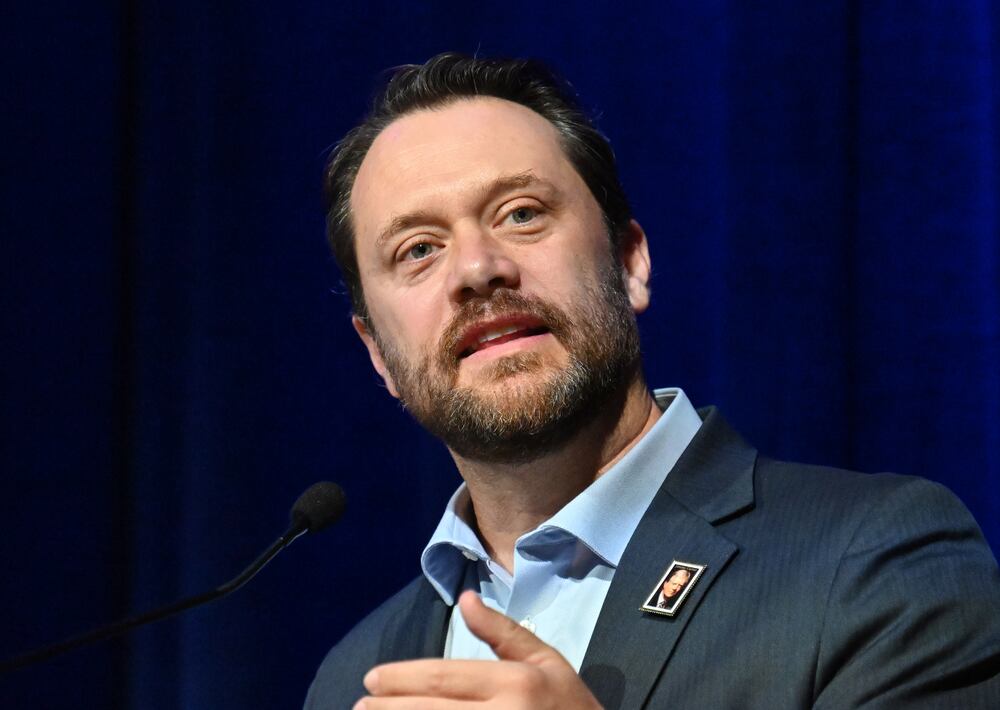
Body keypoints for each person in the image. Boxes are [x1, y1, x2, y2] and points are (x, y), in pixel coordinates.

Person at [305, 53, 1000, 709]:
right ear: (378, 355)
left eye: (520, 213)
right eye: (418, 250)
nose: (477, 269)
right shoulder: (354, 675)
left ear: (630, 261)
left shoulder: (877, 560)